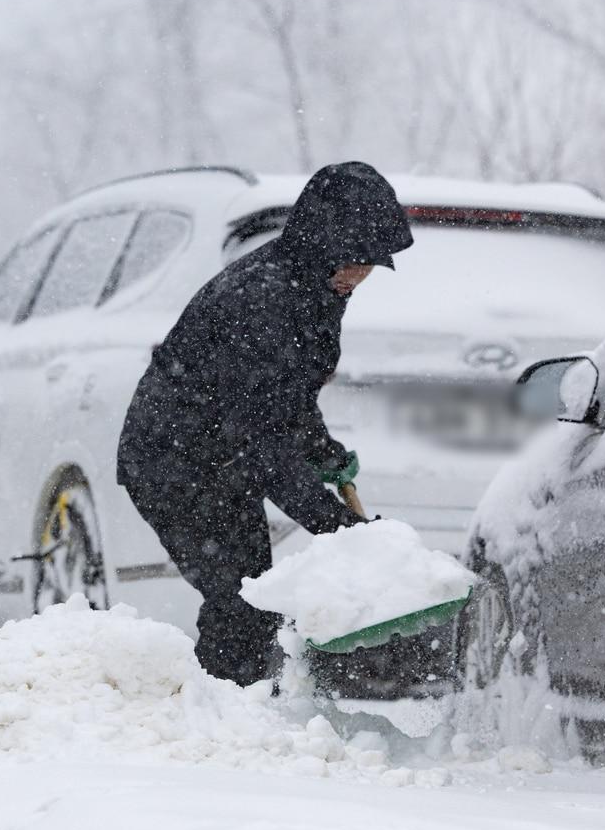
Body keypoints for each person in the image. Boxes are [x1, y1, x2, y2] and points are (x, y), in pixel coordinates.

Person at [116, 162, 414, 686]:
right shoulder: (261, 298)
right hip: (175, 459)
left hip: (222, 456)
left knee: (253, 594)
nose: (360, 273)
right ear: (323, 243)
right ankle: (225, 721)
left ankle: (237, 708)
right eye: (353, 259)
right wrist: (339, 528)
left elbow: (287, 395)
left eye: (372, 263)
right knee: (241, 596)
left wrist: (322, 450)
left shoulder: (317, 288)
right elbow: (260, 442)